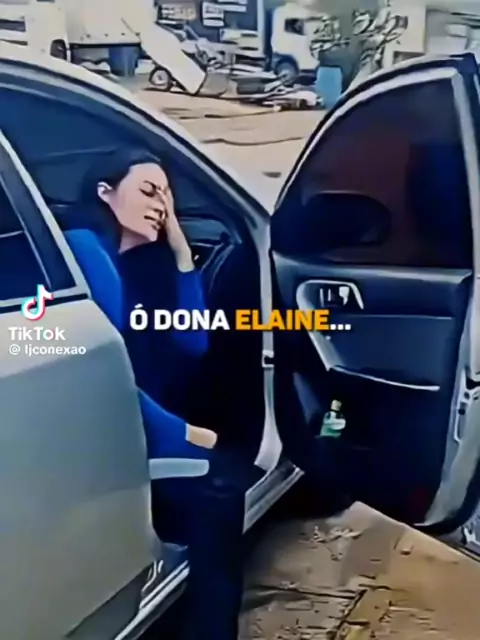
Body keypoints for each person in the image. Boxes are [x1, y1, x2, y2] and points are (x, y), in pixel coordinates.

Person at [76, 148, 248, 640]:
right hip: (111, 424)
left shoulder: (151, 264)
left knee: (222, 476)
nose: (162, 206)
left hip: (136, 419)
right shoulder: (84, 249)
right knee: (220, 486)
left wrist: (181, 254)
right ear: (105, 193)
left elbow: (194, 343)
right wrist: (185, 433)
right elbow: (107, 376)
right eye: (149, 191)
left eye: (168, 196)